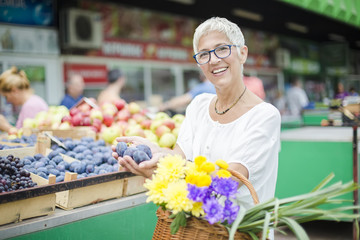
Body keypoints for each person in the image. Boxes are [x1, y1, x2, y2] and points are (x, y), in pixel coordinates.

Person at [112, 17, 281, 229]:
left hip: (239, 232)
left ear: (243, 53)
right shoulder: (198, 106)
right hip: (197, 230)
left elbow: (227, 183)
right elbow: (179, 157)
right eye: (204, 54)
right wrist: (157, 154)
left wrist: (173, 167)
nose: (213, 60)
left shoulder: (264, 116)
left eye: (222, 49)